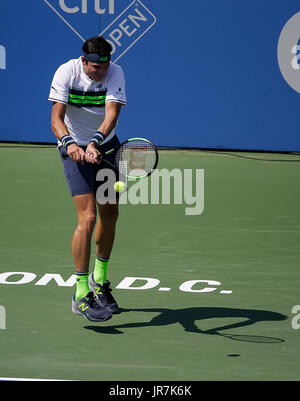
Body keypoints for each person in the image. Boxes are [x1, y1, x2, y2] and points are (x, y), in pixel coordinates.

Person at [48, 36, 126, 322]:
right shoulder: (66, 71)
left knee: (111, 213)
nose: (100, 73)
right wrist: (71, 144)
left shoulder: (115, 71)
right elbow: (56, 119)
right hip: (71, 147)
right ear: (84, 62)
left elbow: (111, 116)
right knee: (88, 218)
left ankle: (99, 280)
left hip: (104, 146)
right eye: (95, 68)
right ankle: (81, 292)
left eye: (103, 68)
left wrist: (94, 143)